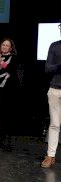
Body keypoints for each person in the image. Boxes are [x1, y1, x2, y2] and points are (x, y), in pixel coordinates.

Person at [0, 38, 20, 150]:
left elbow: (11, 69)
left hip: (8, 89)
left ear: (11, 48)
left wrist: (1, 61)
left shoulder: (14, 58)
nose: (5, 47)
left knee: (5, 112)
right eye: (3, 45)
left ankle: (4, 137)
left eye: (7, 45)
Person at [41, 23, 61, 168]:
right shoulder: (54, 46)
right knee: (54, 124)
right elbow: (47, 68)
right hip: (55, 89)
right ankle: (50, 155)